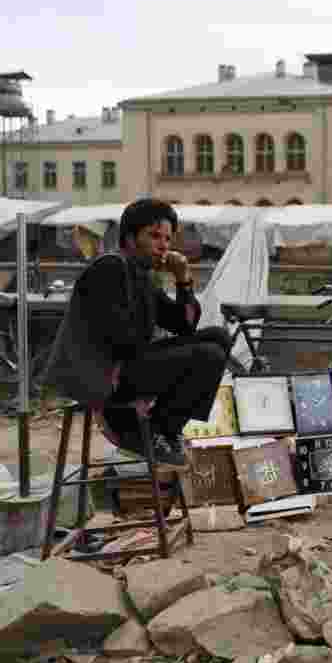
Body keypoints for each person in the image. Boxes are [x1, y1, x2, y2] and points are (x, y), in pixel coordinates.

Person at [45, 199, 231, 466]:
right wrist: (174, 354)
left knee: (219, 338)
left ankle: (166, 430)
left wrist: (183, 278)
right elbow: (121, 341)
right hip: (107, 376)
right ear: (130, 238)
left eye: (167, 238)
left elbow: (184, 324)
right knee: (208, 354)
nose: (164, 245)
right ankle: (157, 431)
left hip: (131, 365)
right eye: (154, 236)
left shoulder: (141, 275)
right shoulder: (110, 268)